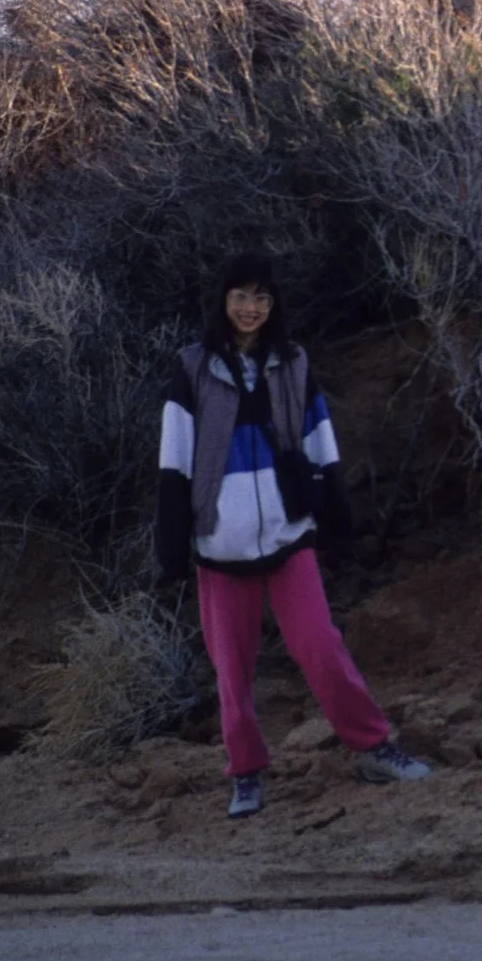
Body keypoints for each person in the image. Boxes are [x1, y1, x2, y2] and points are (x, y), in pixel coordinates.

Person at [155, 253, 430, 819]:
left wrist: (335, 517)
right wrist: (173, 542)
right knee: (232, 669)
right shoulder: (191, 368)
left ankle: (376, 748)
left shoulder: (293, 363)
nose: (250, 308)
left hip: (289, 532)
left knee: (320, 646)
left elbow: (320, 438)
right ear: (222, 300)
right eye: (240, 296)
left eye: (261, 297)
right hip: (220, 544)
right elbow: (174, 460)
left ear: (273, 304)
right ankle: (247, 775)